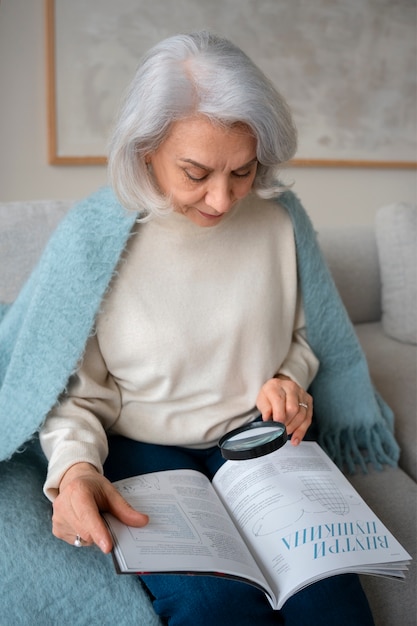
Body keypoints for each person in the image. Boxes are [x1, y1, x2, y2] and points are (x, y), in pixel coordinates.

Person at [37, 31, 376, 625]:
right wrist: (75, 470)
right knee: (215, 608)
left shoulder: (278, 221)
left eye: (242, 172)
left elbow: (303, 339)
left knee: (330, 599)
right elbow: (68, 393)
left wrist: (287, 382)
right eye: (195, 173)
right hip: (141, 447)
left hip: (255, 438)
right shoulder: (97, 241)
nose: (222, 200)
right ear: (146, 152)